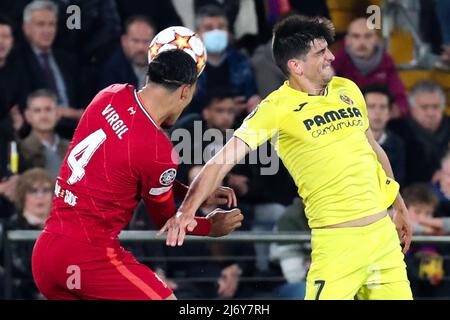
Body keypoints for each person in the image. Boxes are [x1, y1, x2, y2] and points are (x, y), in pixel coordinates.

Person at [158, 15, 413, 300]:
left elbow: (373, 151)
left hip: (383, 240)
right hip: (339, 245)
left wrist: (398, 204)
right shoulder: (275, 108)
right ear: (296, 65)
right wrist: (186, 211)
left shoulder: (347, 89)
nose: (331, 56)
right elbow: (221, 160)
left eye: (328, 48)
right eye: (321, 53)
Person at [31, 46, 243, 300]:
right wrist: (210, 226)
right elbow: (166, 220)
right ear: (186, 91)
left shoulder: (108, 95)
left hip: (46, 254)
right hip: (89, 257)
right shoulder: (158, 150)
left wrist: (195, 194)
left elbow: (127, 169)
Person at [332, 17, 409, 118]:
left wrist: (383, 115)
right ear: (347, 40)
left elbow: (401, 101)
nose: (362, 42)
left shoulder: (386, 62)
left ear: (376, 39)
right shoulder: (336, 61)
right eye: (356, 36)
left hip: (379, 120)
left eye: (367, 36)